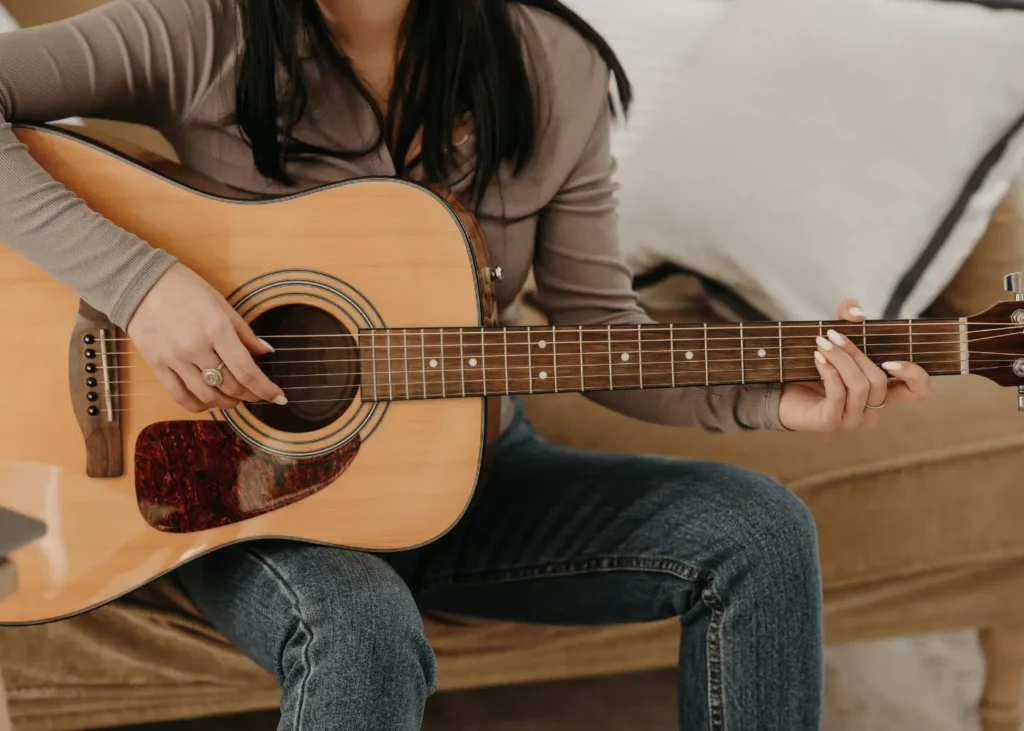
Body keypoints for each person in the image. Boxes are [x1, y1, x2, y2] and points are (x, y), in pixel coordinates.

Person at [0, 0, 932, 728]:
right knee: (357, 624)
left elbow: (600, 334)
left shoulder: (551, 64)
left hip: (475, 468)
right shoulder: (199, 31)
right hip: (247, 491)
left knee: (761, 529)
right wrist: (142, 285)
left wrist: (778, 401)